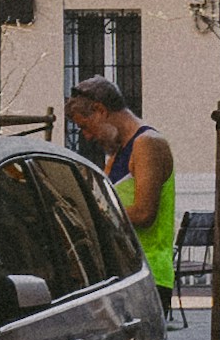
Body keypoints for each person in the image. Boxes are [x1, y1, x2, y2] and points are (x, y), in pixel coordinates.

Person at [66, 73, 178, 306]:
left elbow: (144, 213)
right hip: (124, 273)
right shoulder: (117, 152)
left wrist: (90, 217)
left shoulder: (147, 143)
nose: (87, 136)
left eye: (85, 126)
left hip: (148, 276)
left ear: (100, 110)